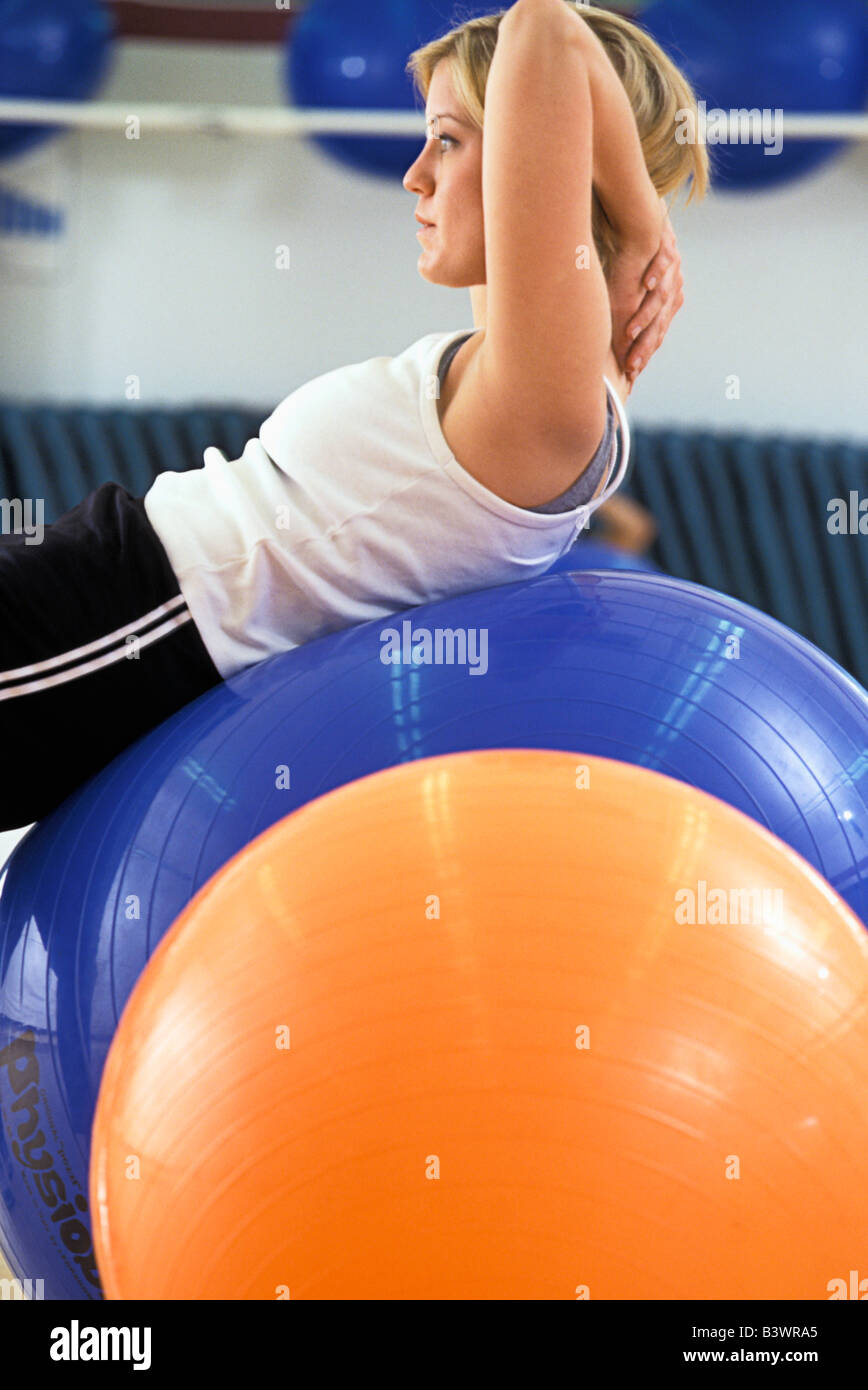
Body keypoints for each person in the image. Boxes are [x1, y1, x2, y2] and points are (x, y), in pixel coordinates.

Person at [0, 0, 705, 831]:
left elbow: (543, 29)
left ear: (554, 154)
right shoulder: (540, 366)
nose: (416, 174)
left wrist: (643, 218)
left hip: (124, 620)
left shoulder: (544, 392)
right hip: (105, 587)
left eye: (448, 138)